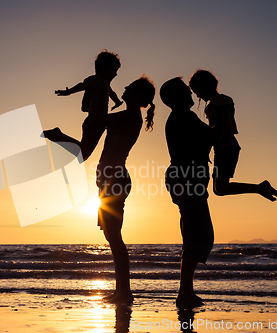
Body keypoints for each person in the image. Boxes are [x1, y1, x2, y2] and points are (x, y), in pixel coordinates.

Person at [45, 76, 156, 304]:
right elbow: (97, 124)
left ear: (139, 97)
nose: (125, 87)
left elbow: (99, 120)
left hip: (115, 180)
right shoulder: (128, 116)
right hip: (109, 180)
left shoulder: (130, 117)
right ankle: (121, 291)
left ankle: (125, 293)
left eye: (131, 87)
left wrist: (98, 89)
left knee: (115, 237)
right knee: (111, 237)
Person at [188, 69, 277, 201]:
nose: (197, 95)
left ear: (207, 86)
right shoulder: (210, 106)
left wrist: (229, 142)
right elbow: (212, 131)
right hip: (220, 147)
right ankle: (260, 188)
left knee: (221, 188)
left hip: (228, 146)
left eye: (198, 90)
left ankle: (260, 188)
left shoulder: (223, 100)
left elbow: (227, 122)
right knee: (218, 189)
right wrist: (208, 151)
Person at [162, 77, 213, 308]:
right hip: (187, 180)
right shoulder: (183, 117)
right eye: (185, 92)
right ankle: (184, 293)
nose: (191, 95)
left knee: (195, 235)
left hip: (185, 179)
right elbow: (211, 136)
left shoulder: (182, 117)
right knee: (199, 235)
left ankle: (186, 292)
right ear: (173, 99)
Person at [50, 50, 123, 160]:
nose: (115, 74)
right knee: (83, 153)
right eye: (113, 70)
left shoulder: (105, 83)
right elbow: (83, 85)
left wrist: (117, 102)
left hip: (98, 122)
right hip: (94, 123)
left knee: (83, 153)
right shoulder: (96, 80)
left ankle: (57, 135)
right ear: (103, 68)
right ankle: (57, 135)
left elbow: (111, 93)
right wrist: (69, 91)